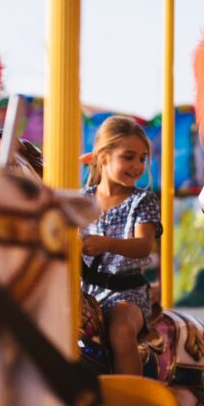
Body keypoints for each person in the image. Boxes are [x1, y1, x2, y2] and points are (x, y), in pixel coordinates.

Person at [79, 116, 160, 376]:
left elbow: (144, 246)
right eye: (128, 157)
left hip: (126, 293)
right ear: (103, 157)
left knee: (121, 331)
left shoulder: (142, 200)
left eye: (142, 158)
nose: (137, 166)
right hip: (84, 291)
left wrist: (107, 244)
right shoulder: (82, 200)